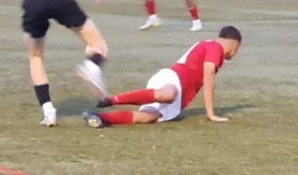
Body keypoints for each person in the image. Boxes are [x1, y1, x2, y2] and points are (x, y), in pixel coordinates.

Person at [84, 26, 241, 127]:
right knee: (167, 94)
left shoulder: (211, 46)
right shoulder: (215, 47)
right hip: (173, 80)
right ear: (235, 44)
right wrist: (211, 114)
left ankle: (101, 118)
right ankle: (111, 100)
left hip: (178, 97)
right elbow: (208, 79)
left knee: (148, 118)